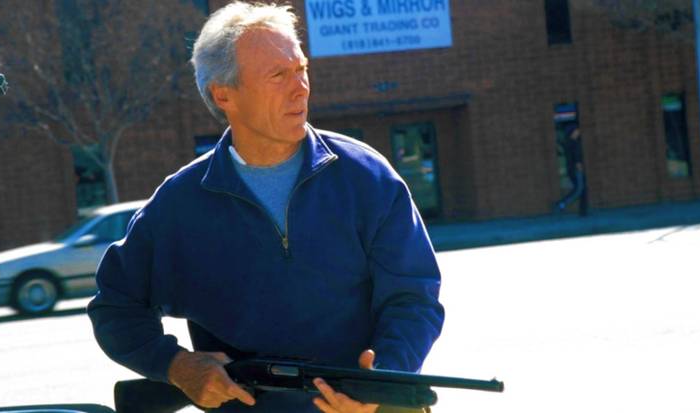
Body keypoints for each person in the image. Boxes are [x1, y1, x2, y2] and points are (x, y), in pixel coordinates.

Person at [87, 2, 445, 413]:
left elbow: (414, 297)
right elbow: (114, 306)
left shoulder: (366, 176)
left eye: (301, 69)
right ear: (224, 94)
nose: (301, 88)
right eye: (278, 75)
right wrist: (177, 366)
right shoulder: (179, 204)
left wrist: (385, 380)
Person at [554, 123, 588, 216]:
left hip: (570, 169)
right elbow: (577, 157)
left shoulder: (567, 143)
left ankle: (583, 211)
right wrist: (580, 169)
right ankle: (561, 204)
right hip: (576, 169)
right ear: (572, 132)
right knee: (579, 189)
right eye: (576, 130)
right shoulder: (574, 143)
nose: (578, 132)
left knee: (581, 189)